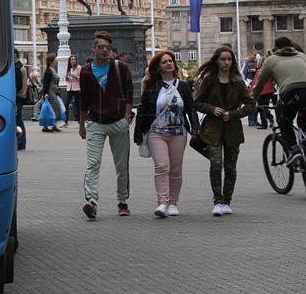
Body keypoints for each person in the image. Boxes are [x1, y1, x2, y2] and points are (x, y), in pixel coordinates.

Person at [135, 51, 199, 218]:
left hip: (179, 133)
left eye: (170, 61)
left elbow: (191, 108)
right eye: (165, 62)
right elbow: (142, 109)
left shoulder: (183, 86)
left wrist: (195, 129)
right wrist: (138, 132)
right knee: (162, 166)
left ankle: (173, 202)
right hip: (156, 132)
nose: (169, 64)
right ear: (159, 67)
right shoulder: (151, 86)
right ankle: (162, 202)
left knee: (176, 169)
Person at [78, 31, 134, 219]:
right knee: (93, 163)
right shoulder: (85, 71)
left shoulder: (121, 68)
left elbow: (129, 93)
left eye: (108, 48)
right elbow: (83, 99)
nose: (105, 50)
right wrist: (81, 124)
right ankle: (91, 201)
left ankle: (122, 201)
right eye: (101, 47)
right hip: (95, 122)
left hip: (118, 122)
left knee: (121, 166)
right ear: (93, 48)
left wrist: (126, 117)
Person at [195, 47, 256, 216]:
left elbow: (251, 105)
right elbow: (197, 103)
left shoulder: (237, 81)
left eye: (229, 59)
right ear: (216, 61)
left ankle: (227, 201)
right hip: (212, 129)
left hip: (232, 130)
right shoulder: (209, 81)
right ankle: (217, 201)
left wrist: (234, 114)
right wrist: (212, 109)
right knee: (216, 164)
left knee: (230, 167)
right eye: (223, 59)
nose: (226, 62)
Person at [252, 37, 306, 166]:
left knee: (283, 120)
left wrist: (252, 101)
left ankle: (294, 150)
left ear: (276, 49)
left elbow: (259, 84)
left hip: (291, 93)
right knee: (303, 124)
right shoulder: (302, 56)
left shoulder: (270, 60)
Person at [250, 55, 275, 129]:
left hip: (262, 91)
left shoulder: (259, 71)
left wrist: (251, 91)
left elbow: (255, 82)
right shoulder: (270, 70)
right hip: (269, 91)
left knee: (261, 107)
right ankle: (270, 118)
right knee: (265, 106)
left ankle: (264, 124)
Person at [41, 54, 62, 132]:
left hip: (54, 91)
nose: (56, 61)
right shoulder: (48, 71)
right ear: (51, 61)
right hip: (50, 91)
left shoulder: (53, 70)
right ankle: (46, 126)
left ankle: (53, 125)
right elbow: (46, 83)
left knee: (54, 108)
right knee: (53, 107)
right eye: (55, 60)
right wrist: (45, 93)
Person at [14, 50, 29, 150]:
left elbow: (17, 85)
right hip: (21, 96)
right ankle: (21, 142)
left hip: (18, 97)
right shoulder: (20, 66)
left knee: (18, 120)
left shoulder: (17, 68)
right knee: (19, 119)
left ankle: (20, 142)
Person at [63, 55, 82, 128]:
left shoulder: (79, 67)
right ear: (69, 61)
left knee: (78, 105)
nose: (73, 61)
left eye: (74, 59)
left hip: (77, 88)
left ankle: (80, 123)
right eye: (72, 59)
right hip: (70, 88)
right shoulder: (68, 68)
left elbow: (81, 78)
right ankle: (66, 122)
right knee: (66, 104)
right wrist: (67, 77)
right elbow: (66, 79)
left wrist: (74, 76)